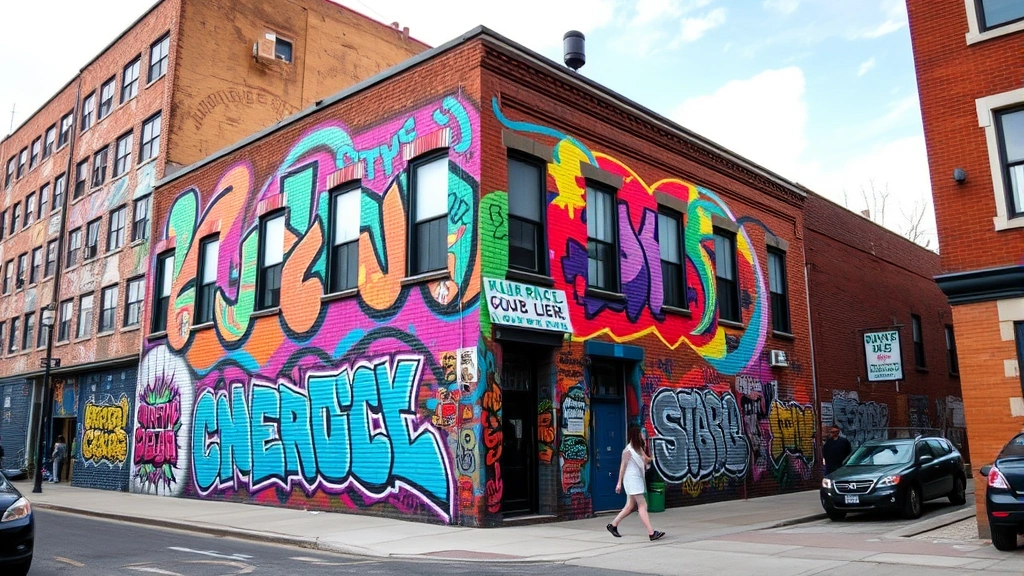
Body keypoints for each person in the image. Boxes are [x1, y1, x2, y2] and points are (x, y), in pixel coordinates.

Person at [606, 425, 665, 541]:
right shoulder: (628, 451)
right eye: (640, 434)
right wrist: (619, 483)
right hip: (631, 480)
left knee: (629, 506)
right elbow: (622, 467)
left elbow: (646, 460)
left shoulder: (639, 448)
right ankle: (651, 533)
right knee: (642, 505)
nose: (642, 435)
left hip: (637, 479)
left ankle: (613, 525)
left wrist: (651, 453)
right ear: (635, 435)